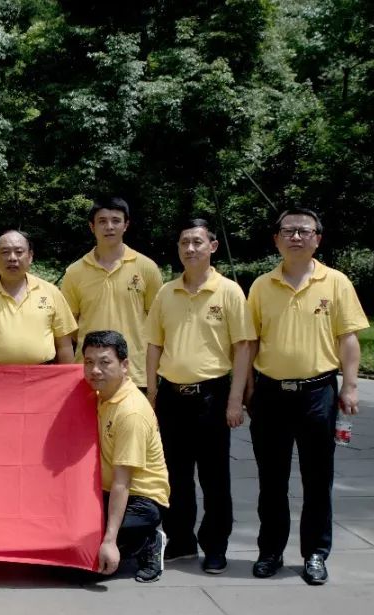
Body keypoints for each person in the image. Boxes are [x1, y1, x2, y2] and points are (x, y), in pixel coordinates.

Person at [246, 207, 368, 585]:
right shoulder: (261, 286)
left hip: (317, 394)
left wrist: (350, 386)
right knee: (272, 480)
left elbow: (348, 338)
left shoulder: (336, 282)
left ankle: (315, 553)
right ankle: (270, 551)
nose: (296, 237)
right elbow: (250, 342)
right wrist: (245, 388)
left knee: (318, 479)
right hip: (271, 394)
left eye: (304, 231)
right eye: (288, 231)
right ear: (276, 239)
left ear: (318, 238)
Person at [145, 219, 255, 574]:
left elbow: (242, 347)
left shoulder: (229, 291)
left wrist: (235, 399)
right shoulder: (166, 292)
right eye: (184, 243)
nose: (190, 249)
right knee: (174, 475)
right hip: (171, 396)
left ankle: (216, 546)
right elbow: (154, 345)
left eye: (197, 242)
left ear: (213, 246)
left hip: (212, 395)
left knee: (214, 477)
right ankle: (180, 540)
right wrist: (151, 393)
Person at [84, 330, 171, 583]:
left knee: (89, 559)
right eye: (89, 362)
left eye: (104, 362)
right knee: (71, 543)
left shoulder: (131, 413)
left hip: (140, 497)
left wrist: (109, 540)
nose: (95, 370)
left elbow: (123, 482)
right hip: (105, 489)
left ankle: (149, 541)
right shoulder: (97, 395)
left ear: (124, 366)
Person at [61, 197, 163, 387]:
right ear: (92, 226)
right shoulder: (74, 272)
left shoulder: (147, 268)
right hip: (89, 373)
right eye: (102, 221)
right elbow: (69, 327)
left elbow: (157, 325)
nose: (109, 227)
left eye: (116, 220)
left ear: (126, 225)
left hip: (134, 372)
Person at [0, 231, 76, 365]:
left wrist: (67, 376)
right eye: (5, 252)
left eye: (19, 252)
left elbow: (65, 345)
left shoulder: (51, 292)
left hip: (42, 374)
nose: (12, 258)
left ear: (30, 256)